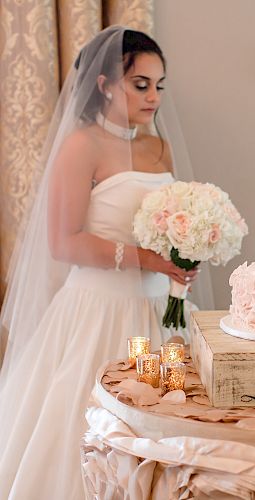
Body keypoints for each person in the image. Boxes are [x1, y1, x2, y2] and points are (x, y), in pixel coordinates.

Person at [0, 26, 202, 499]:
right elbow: (63, 242)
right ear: (105, 84)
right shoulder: (81, 145)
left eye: (159, 86)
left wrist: (183, 255)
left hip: (161, 315)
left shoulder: (159, 148)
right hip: (98, 311)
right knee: (94, 424)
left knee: (167, 412)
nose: (154, 97)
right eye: (141, 85)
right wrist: (145, 258)